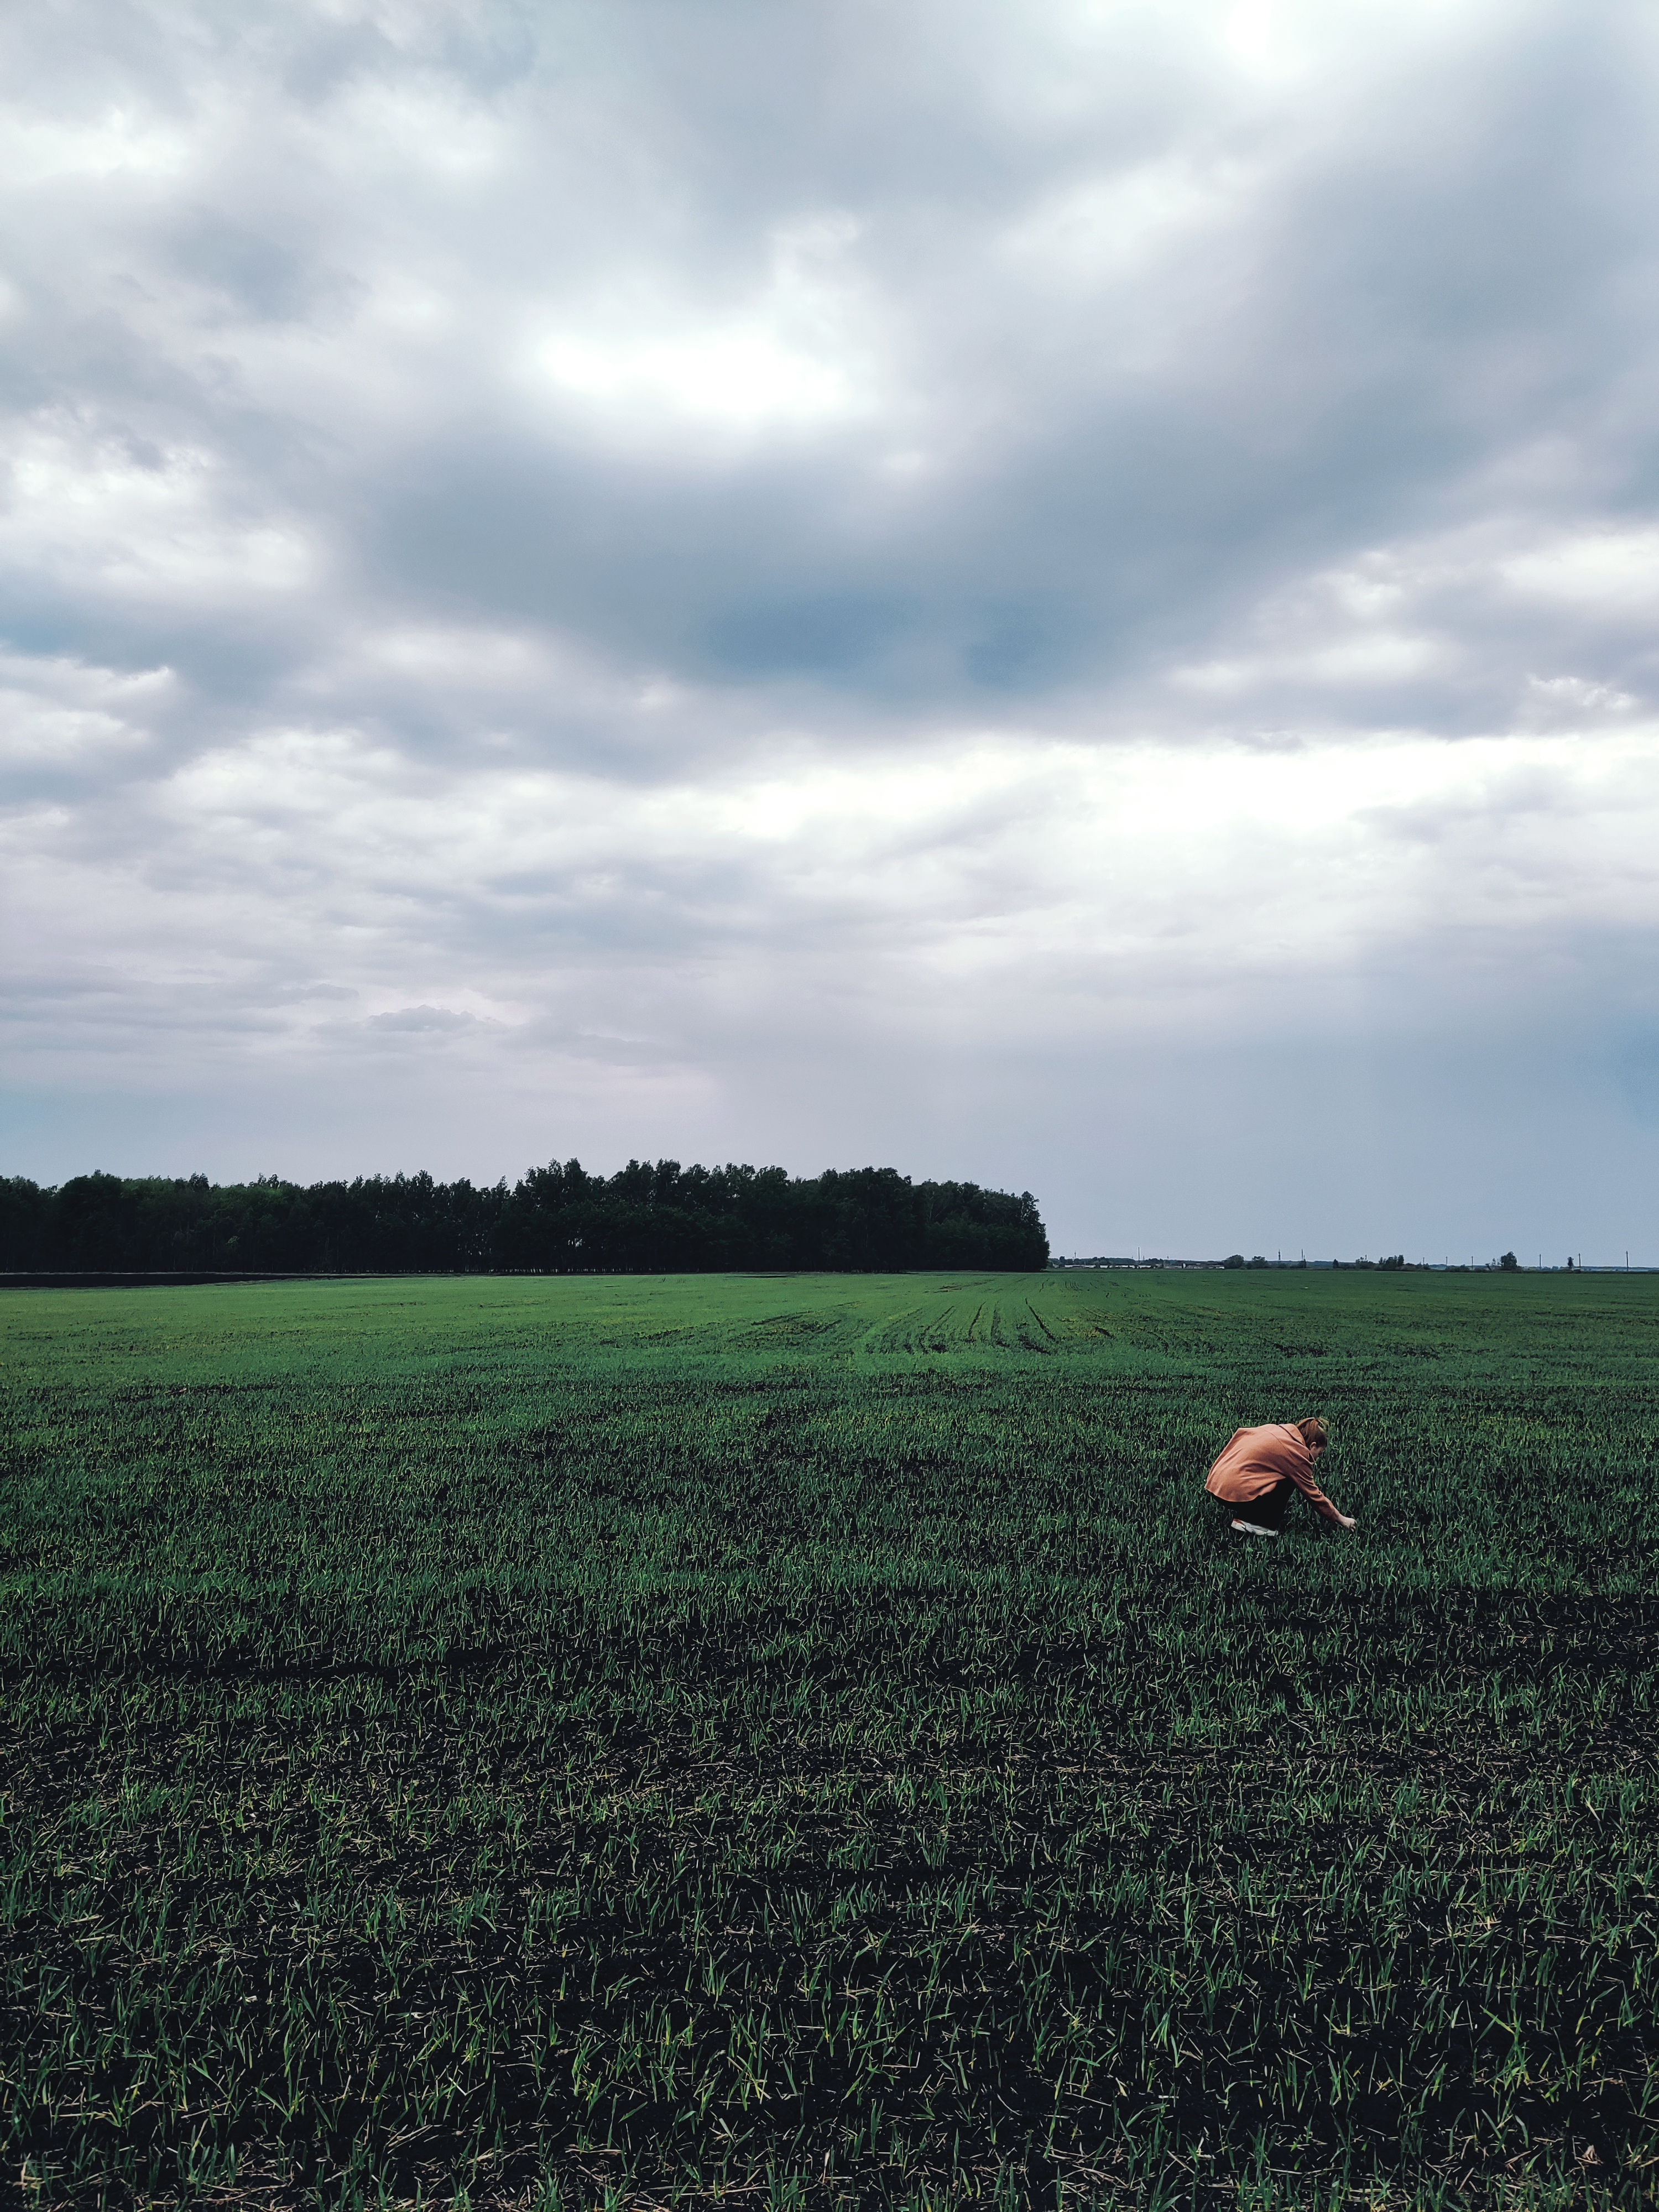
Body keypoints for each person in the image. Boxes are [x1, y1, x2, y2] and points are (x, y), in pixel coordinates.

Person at [1205, 1415, 1357, 1538]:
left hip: (1215, 1484)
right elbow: (1313, 1495)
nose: (1317, 1459)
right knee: (1288, 1480)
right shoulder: (1295, 1454)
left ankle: (1246, 1513)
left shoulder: (1276, 1430)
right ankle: (1254, 1523)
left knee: (1274, 1473)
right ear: (1313, 1446)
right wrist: (1342, 1519)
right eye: (1319, 1453)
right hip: (1233, 1490)